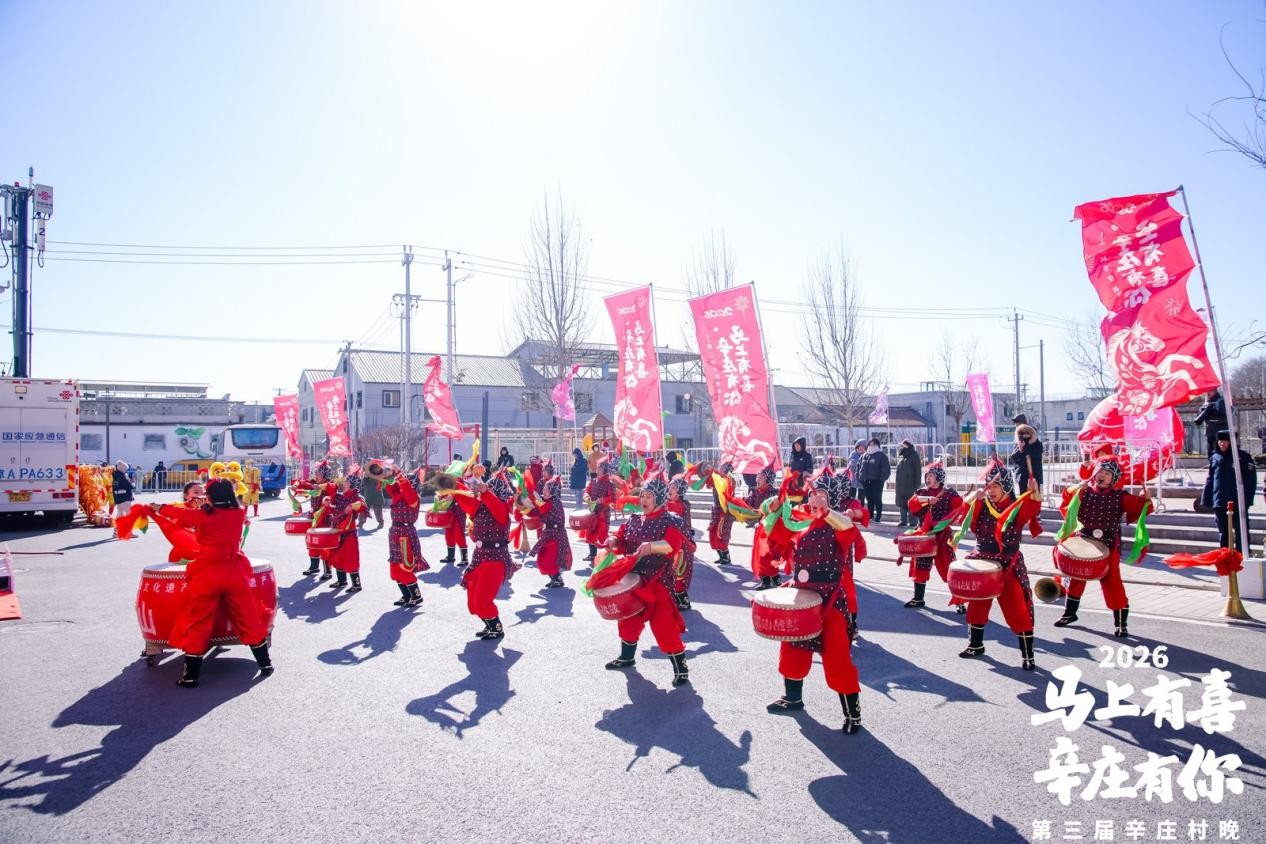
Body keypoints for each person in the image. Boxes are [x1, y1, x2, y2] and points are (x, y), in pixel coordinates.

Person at [766, 471, 869, 735]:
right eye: (812, 495)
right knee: (792, 650)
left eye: (821, 495)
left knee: (837, 658)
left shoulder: (837, 524)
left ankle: (853, 713)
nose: (814, 500)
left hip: (830, 600)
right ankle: (793, 699)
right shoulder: (801, 523)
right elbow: (776, 538)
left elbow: (849, 529)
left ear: (830, 500)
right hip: (801, 597)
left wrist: (828, 512)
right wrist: (774, 512)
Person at [159, 478, 273, 687]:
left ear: (211, 497)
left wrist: (159, 508)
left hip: (207, 575)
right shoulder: (239, 513)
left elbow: (180, 515)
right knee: (248, 617)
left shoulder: (203, 515)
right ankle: (266, 664)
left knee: (198, 622)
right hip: (234, 573)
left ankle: (190, 676)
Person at [599, 476, 692, 686]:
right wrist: (613, 540)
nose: (644, 500)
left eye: (649, 496)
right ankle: (627, 657)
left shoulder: (670, 520)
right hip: (634, 579)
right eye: (642, 495)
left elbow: (672, 545)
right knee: (628, 619)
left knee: (664, 625)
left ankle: (681, 668)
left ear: (658, 498)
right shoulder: (634, 519)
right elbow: (621, 536)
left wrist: (651, 547)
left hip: (658, 581)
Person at [957, 462, 1043, 669]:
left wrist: (1035, 492)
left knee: (1017, 609)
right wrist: (974, 499)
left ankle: (1028, 655)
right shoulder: (983, 504)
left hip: (1008, 563)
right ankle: (975, 645)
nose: (991, 491)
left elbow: (1032, 507)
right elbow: (966, 518)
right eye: (989, 486)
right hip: (982, 560)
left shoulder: (1017, 507)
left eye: (995, 486)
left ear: (1006, 487)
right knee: (977, 606)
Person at [1054, 459, 1151, 637]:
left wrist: (1145, 499)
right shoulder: (1085, 492)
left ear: (1113, 479)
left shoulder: (1120, 496)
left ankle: (1121, 623)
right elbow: (1067, 501)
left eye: (1106, 474)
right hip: (1084, 538)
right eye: (1100, 472)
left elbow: (1143, 506)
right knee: (1076, 576)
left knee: (1112, 582)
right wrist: (1078, 490)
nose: (1102, 476)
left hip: (1108, 543)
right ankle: (1069, 614)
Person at [452, 472, 517, 640]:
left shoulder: (502, 509)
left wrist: (486, 493)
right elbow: (464, 498)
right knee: (473, 597)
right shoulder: (480, 506)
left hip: (495, 560)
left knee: (482, 599)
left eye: (490, 489)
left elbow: (495, 506)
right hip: (479, 557)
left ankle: (496, 628)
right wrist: (452, 485)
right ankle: (489, 625)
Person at [903, 462, 965, 611]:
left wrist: (970, 499)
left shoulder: (949, 493)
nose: (928, 478)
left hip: (943, 535)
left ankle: (959, 602)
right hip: (925, 535)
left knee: (950, 567)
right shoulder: (922, 492)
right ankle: (918, 599)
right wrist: (927, 500)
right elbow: (912, 505)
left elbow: (961, 507)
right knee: (921, 566)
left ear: (939, 478)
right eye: (927, 476)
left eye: (931, 475)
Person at [1201, 430, 1258, 553]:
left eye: (1225, 441)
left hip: (1237, 500)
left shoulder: (1242, 457)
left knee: (1241, 530)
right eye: (1220, 441)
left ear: (1231, 442)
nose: (1222, 444)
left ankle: (1242, 554)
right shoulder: (1215, 457)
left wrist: (1247, 500)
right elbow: (1210, 479)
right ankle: (1225, 555)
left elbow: (1251, 481)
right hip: (1220, 500)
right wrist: (1206, 499)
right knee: (1223, 531)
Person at [382, 466, 426, 607]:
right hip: (395, 531)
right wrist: (387, 475)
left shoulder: (414, 497)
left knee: (405, 565)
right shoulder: (398, 494)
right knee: (395, 566)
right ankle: (406, 595)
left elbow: (407, 491)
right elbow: (389, 487)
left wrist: (400, 477)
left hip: (406, 533)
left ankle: (416, 596)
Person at [530, 462, 572, 588]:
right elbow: (539, 508)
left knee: (548, 559)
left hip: (555, 536)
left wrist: (528, 504)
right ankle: (555, 579)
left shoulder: (553, 502)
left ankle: (557, 579)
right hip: (550, 534)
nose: (543, 491)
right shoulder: (550, 501)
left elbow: (540, 510)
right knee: (543, 558)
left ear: (552, 491)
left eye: (545, 489)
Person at [325, 474, 366, 592]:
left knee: (351, 559)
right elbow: (337, 509)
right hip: (338, 532)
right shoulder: (341, 496)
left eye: (347, 482)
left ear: (352, 485)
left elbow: (362, 506)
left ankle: (356, 584)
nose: (344, 484)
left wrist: (352, 505)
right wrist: (329, 506)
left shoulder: (357, 497)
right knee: (338, 557)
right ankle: (342, 581)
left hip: (349, 533)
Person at [665, 477, 697, 610]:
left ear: (680, 491)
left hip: (681, 545)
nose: (670, 489)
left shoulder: (680, 505)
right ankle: (676, 600)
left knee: (679, 572)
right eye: (669, 486)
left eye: (674, 487)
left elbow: (668, 509)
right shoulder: (670, 503)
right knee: (671, 571)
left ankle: (684, 601)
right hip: (672, 543)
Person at [581, 459, 617, 561]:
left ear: (604, 470)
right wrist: (586, 496)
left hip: (603, 513)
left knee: (603, 534)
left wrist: (602, 500)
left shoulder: (609, 483)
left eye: (599, 468)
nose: (597, 470)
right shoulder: (593, 481)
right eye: (597, 468)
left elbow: (613, 499)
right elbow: (587, 491)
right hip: (593, 511)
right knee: (590, 532)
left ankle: (607, 556)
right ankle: (592, 555)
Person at [705, 461, 738, 565]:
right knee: (713, 533)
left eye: (723, 467)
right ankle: (721, 556)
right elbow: (708, 484)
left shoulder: (730, 480)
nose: (720, 468)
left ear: (727, 470)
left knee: (722, 535)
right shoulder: (717, 478)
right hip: (717, 510)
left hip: (726, 512)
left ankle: (726, 557)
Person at [858, 438, 890, 523]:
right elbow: (859, 467)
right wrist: (860, 477)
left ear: (878, 445)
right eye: (870, 444)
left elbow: (886, 470)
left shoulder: (881, 456)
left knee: (877, 499)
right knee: (869, 499)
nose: (872, 446)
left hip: (877, 481)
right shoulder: (864, 455)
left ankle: (878, 516)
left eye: (874, 444)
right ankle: (870, 515)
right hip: (866, 481)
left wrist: (881, 480)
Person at [894, 440, 922, 527]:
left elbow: (918, 470)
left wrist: (917, 483)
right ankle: (903, 520)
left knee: (911, 503)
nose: (901, 447)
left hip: (910, 484)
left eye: (903, 445)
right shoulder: (902, 456)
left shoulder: (914, 455)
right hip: (901, 485)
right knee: (902, 503)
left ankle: (913, 521)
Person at [1008, 423, 1044, 492]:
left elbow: (1036, 454)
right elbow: (1013, 458)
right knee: (1023, 495)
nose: (1025, 435)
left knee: (1035, 495)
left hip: (1034, 475)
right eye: (1022, 433)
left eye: (1027, 433)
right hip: (1022, 475)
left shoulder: (1037, 444)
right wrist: (1020, 449)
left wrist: (1025, 447)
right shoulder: (1018, 444)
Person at [1194, 390, 1228, 456]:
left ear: (1215, 391)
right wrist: (1206, 412)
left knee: (1219, 455)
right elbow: (1200, 417)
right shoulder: (1207, 402)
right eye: (1206, 391)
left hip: (1220, 434)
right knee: (1211, 454)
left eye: (1210, 391)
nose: (1207, 393)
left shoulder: (1221, 402)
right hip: (1210, 433)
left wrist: (1212, 412)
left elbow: (1225, 417)